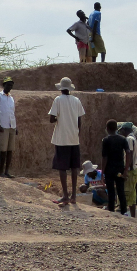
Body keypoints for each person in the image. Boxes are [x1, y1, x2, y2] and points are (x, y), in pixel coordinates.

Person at [48, 77, 86, 205]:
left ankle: (65, 195)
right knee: (74, 167)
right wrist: (77, 133)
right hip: (74, 138)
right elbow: (79, 120)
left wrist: (59, 117)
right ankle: (74, 196)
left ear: (61, 88)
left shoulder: (58, 100)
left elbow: (51, 119)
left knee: (62, 167)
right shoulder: (76, 100)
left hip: (62, 138)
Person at [102, 119, 132, 214]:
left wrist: (102, 171)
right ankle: (123, 211)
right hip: (120, 169)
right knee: (121, 191)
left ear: (107, 129)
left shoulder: (105, 140)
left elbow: (104, 157)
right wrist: (126, 169)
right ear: (116, 128)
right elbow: (128, 152)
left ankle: (111, 211)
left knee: (111, 191)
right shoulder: (122, 139)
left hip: (109, 170)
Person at [0, 77, 18, 178]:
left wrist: (15, 127)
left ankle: (7, 171)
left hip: (11, 125)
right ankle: (0, 171)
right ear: (3, 85)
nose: (10, 87)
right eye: (8, 85)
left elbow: (12, 113)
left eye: (11, 85)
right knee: (2, 150)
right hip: (2, 126)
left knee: (10, 150)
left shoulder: (11, 98)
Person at [119, 122, 137, 217]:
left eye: (122, 131)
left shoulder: (129, 139)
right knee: (132, 194)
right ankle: (132, 216)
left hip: (131, 170)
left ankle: (130, 216)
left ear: (125, 130)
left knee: (128, 194)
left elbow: (129, 155)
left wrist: (126, 170)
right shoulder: (133, 138)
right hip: (134, 169)